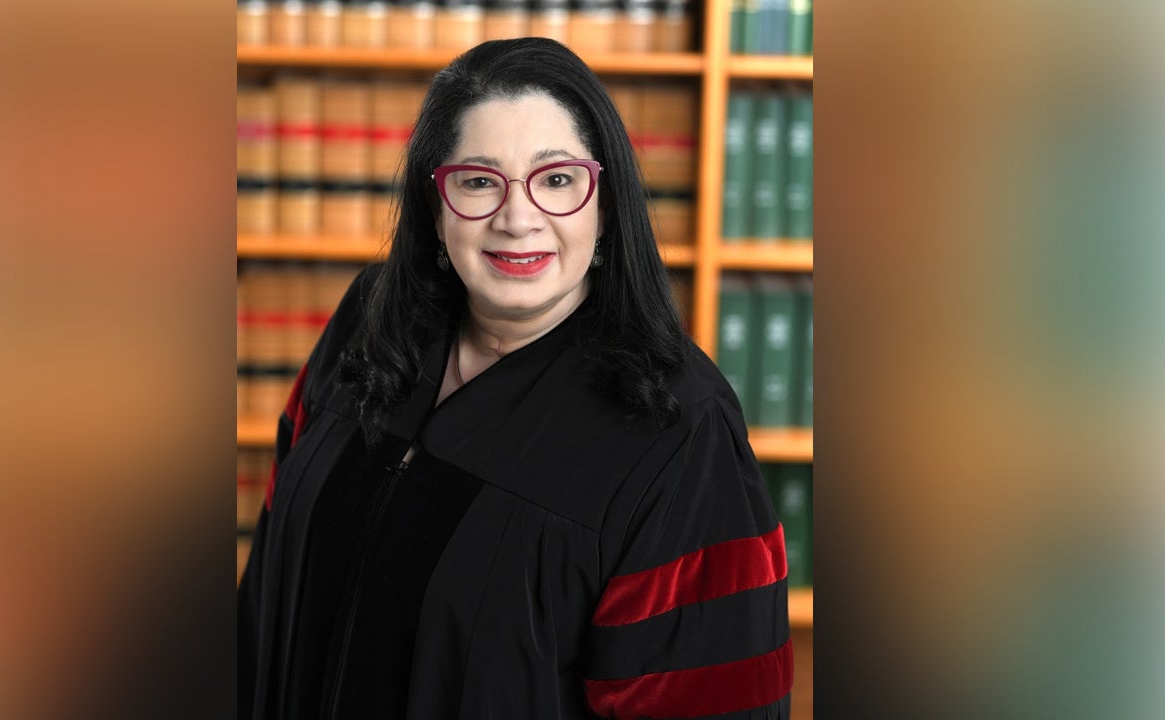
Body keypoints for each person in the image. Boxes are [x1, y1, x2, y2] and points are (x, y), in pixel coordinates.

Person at [238, 37, 792, 720]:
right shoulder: (369, 323)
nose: (518, 218)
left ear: (605, 204)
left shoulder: (678, 432)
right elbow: (263, 600)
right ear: (436, 206)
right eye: (479, 181)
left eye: (556, 180)